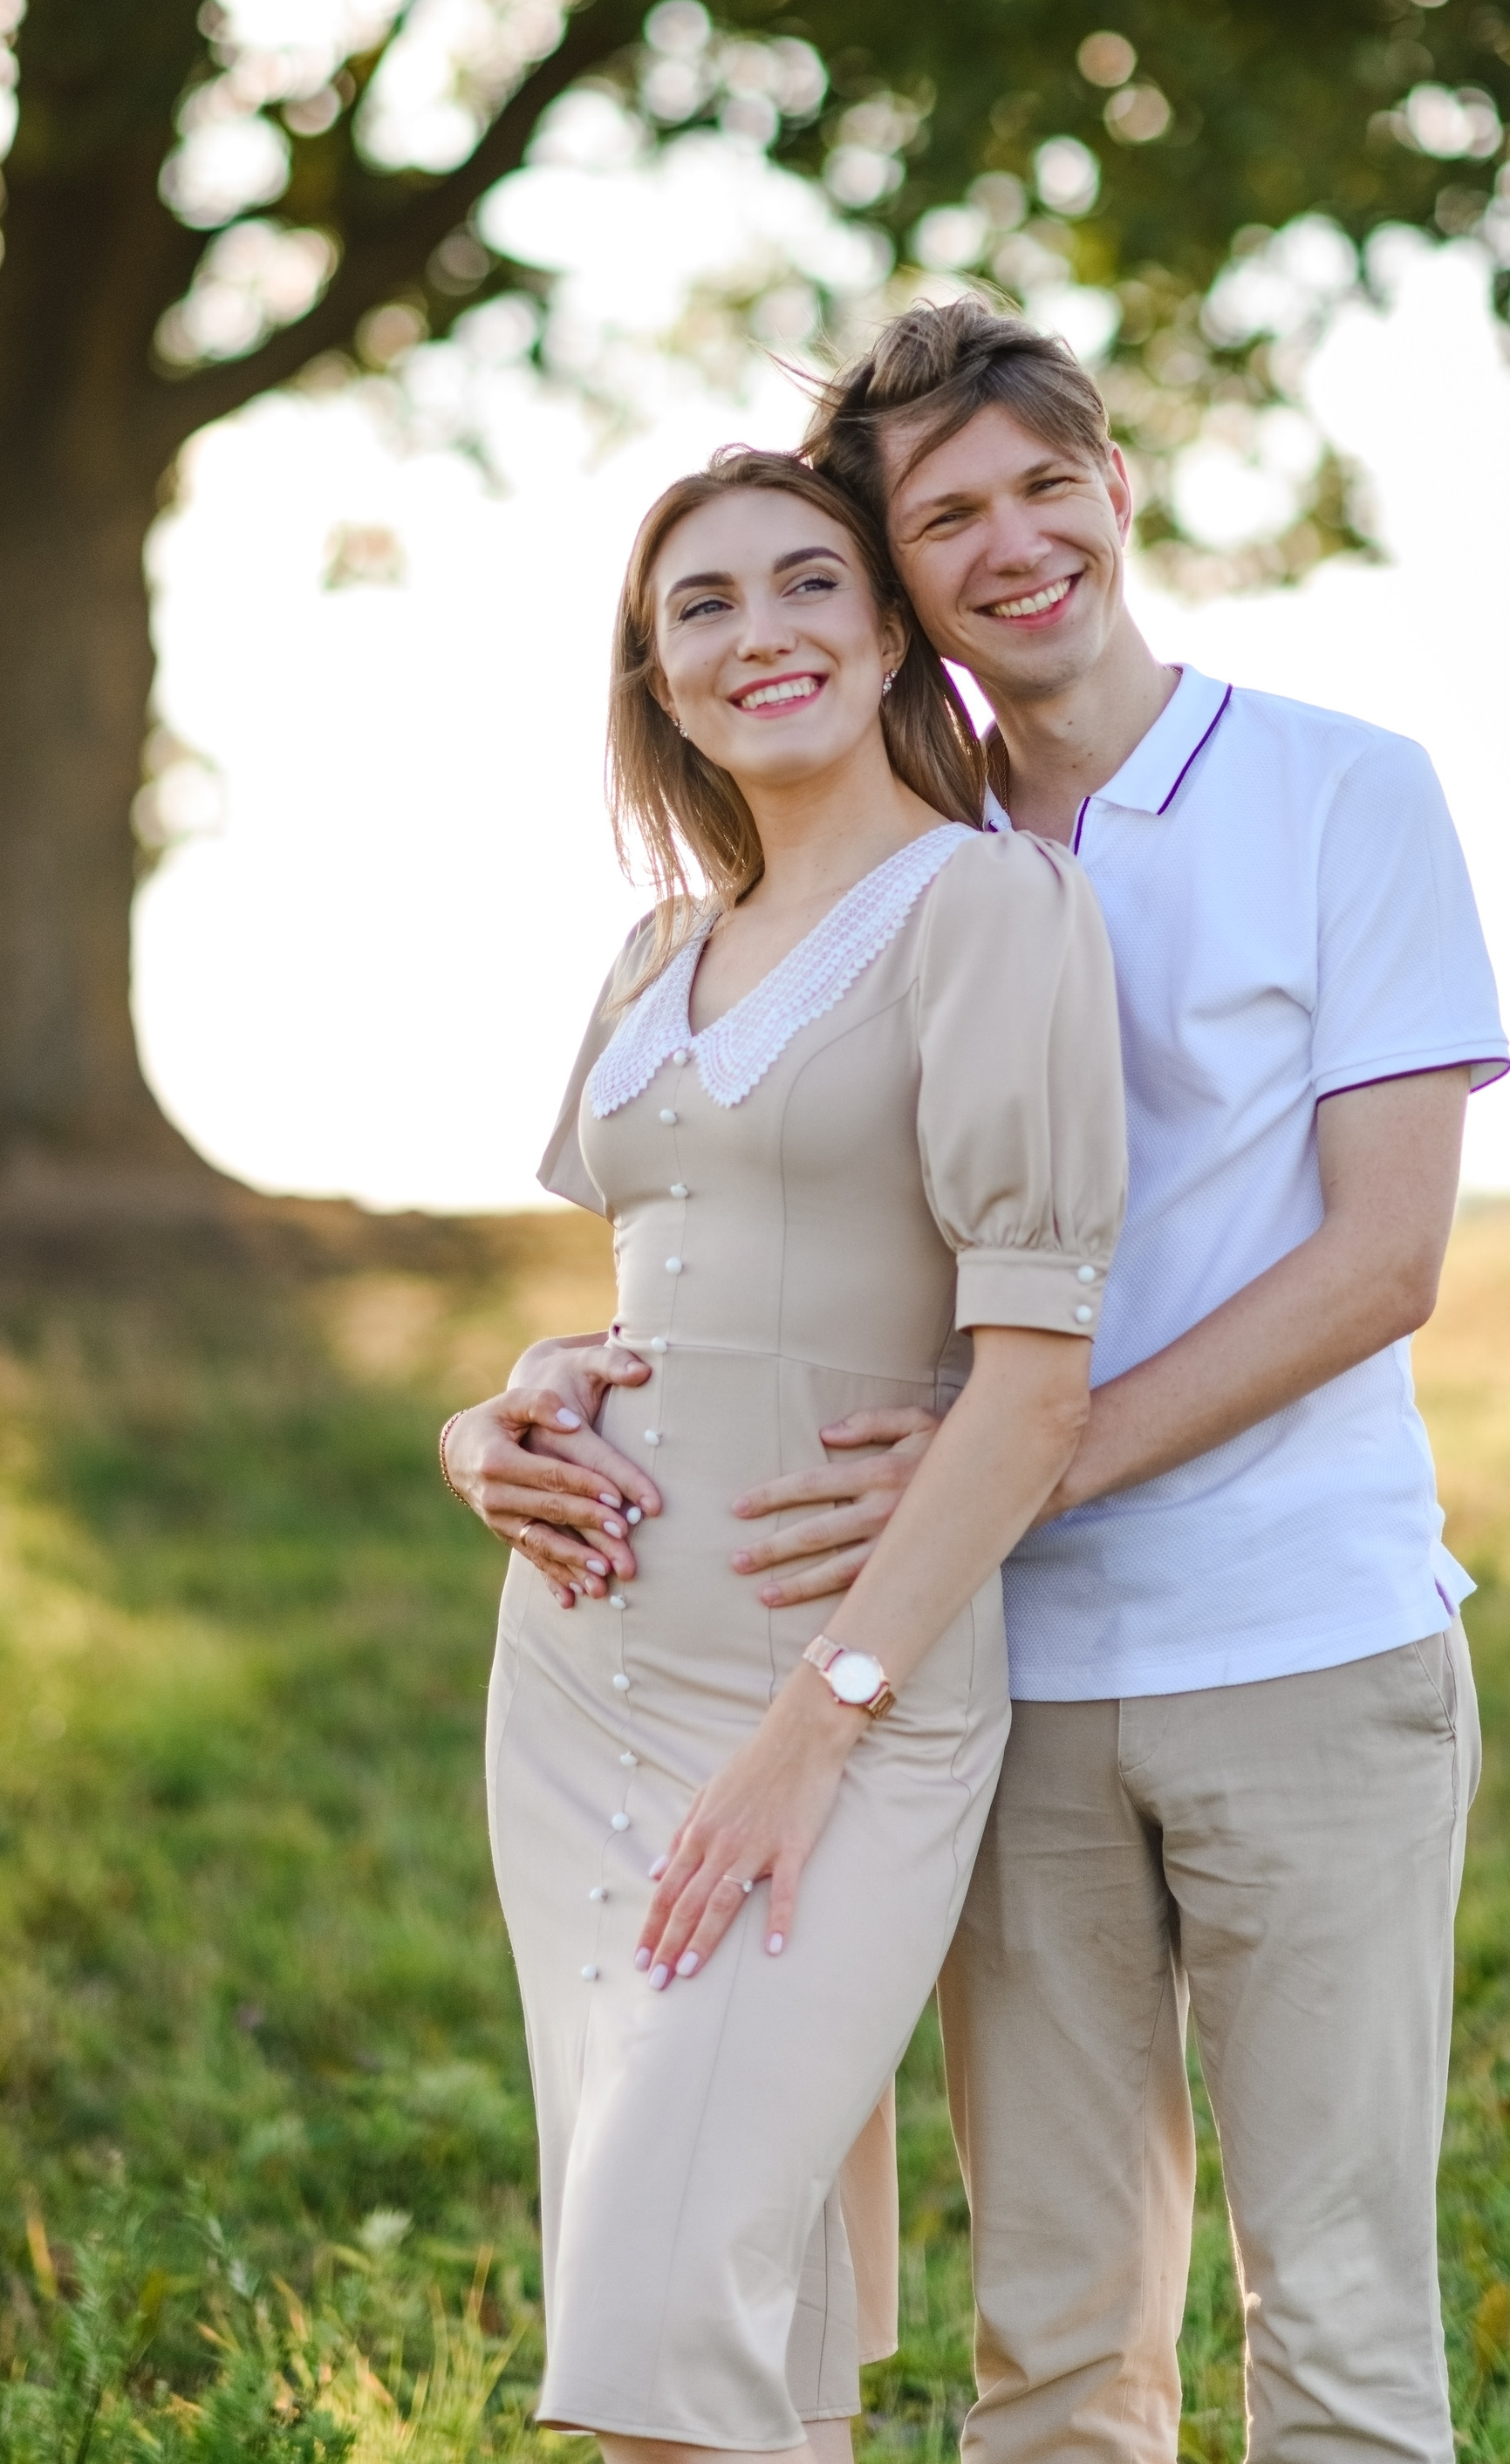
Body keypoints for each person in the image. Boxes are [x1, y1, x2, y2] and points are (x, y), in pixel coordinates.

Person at [456, 306, 1510, 2464]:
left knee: (1332, 2315)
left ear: (1116, 487)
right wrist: (532, 1392)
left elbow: (1381, 1261)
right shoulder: (883, 872)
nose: (1014, 543)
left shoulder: (1337, 790)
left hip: (1297, 1639)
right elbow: (760, 1233)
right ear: (902, 585)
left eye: (1046, 485)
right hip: (1003, 1662)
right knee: (1049, 2333)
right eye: (946, 517)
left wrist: (1019, 1459)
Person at [449, 442, 1127, 2464]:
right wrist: (493, 1414)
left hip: (839, 1694)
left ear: (890, 630)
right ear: (655, 679)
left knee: (660, 2320)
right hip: (578, 1688)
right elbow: (651, 1300)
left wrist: (815, 1724)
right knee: (733, 2326)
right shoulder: (653, 951)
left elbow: (1032, 1387)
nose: (761, 634)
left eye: (807, 582)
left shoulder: (987, 909)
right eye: (703, 605)